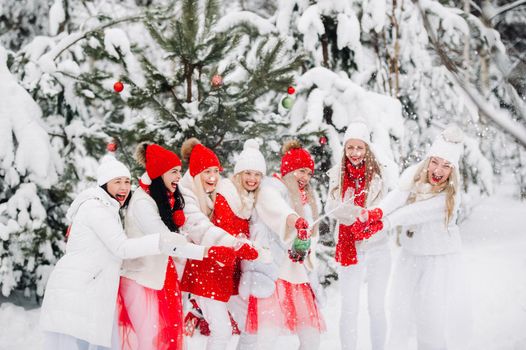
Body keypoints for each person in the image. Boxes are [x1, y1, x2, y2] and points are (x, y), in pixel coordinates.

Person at [40, 152, 190, 350]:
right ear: (104, 184)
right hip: (79, 288)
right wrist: (159, 241)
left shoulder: (108, 208)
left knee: (90, 343)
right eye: (117, 181)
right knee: (81, 343)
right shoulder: (96, 208)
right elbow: (121, 247)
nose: (124, 187)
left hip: (88, 287)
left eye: (127, 181)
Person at [117, 143, 234, 350]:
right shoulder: (143, 203)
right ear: (159, 174)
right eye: (173, 172)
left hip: (159, 277)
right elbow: (166, 242)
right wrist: (208, 251)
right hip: (141, 280)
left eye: (179, 171)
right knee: (149, 340)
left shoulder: (160, 197)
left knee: (166, 336)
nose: (179, 176)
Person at [379, 125, 471, 350]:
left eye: (446, 165)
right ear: (428, 160)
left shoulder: (452, 195)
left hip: (438, 262)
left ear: (453, 170)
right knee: (400, 314)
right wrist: (377, 213)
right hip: (410, 257)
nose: (438, 169)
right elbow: (397, 196)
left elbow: (417, 212)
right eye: (435, 161)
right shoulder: (414, 175)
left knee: (431, 320)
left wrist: (387, 222)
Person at [240, 140, 326, 350]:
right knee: (266, 337)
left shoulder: (308, 198)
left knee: (311, 337)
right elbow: (276, 209)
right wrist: (294, 220)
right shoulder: (271, 188)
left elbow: (312, 235)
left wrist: (305, 246)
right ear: (289, 170)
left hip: (299, 277)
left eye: (308, 172)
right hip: (275, 274)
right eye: (300, 171)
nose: (305, 177)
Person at [180, 140, 264, 350]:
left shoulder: (221, 194)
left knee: (249, 324)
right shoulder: (189, 196)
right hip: (206, 271)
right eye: (206, 172)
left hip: (226, 269)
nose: (212, 177)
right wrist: (236, 244)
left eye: (215, 171)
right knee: (222, 331)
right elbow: (202, 229)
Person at [325, 121, 389, 350]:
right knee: (349, 306)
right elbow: (331, 207)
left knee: (376, 306)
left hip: (377, 246)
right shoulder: (337, 174)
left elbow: (384, 208)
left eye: (359, 148)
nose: (354, 153)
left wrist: (365, 216)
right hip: (349, 245)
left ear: (367, 149)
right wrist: (360, 214)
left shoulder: (380, 175)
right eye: (350, 148)